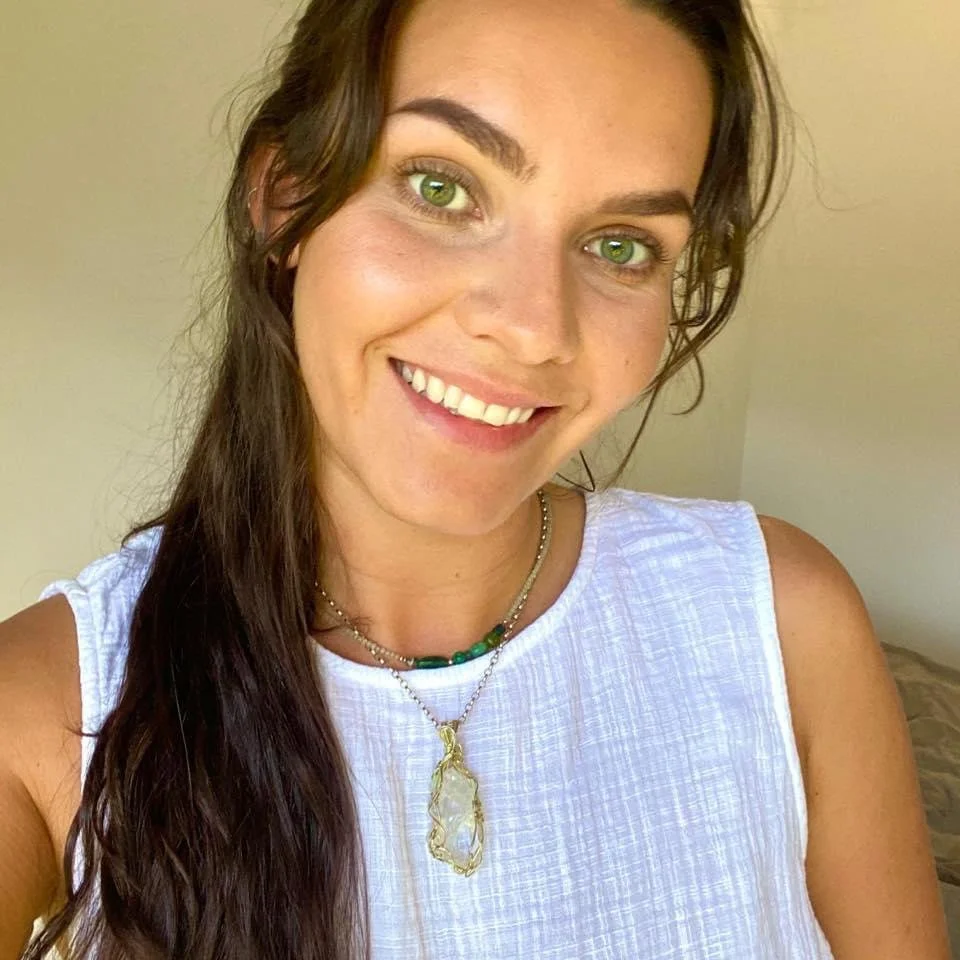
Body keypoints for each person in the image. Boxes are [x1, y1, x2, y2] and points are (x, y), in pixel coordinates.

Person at [0, 0, 949, 957]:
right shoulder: (47, 714)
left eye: (621, 244)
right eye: (441, 187)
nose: (534, 327)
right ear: (285, 201)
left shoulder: (782, 623)